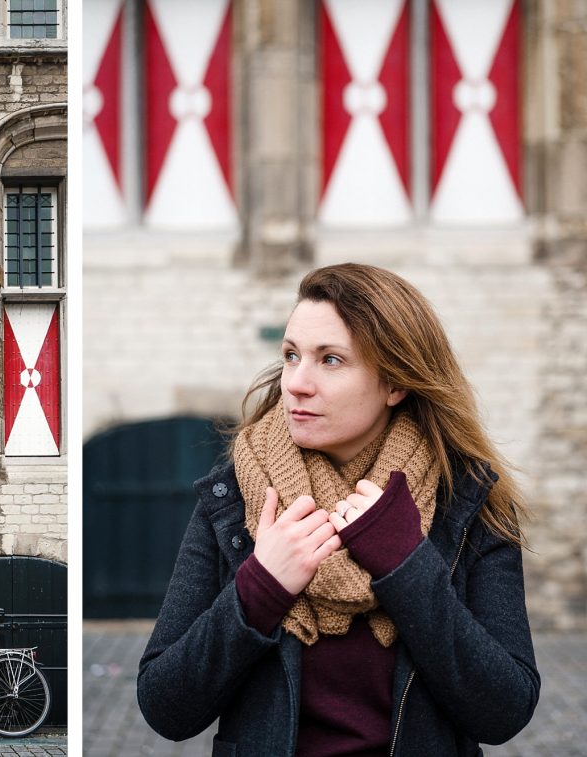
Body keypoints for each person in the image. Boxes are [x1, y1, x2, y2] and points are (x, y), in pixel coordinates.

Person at [137, 264, 540, 757]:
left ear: (395, 383)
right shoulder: (236, 499)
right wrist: (261, 586)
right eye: (291, 355)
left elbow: (504, 711)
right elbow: (166, 706)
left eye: (330, 360)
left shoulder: (465, 502)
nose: (296, 383)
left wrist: (406, 565)